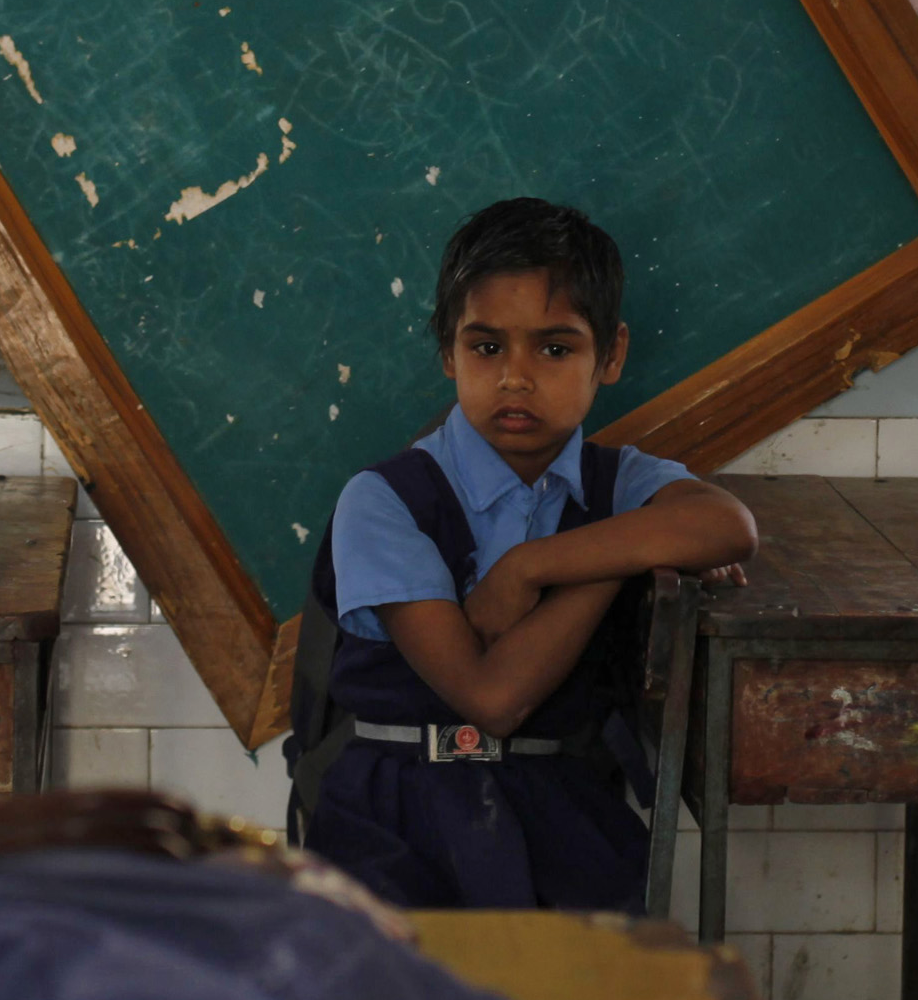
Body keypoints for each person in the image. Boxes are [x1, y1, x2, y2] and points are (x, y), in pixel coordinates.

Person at [286, 197, 759, 910]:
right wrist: (627, 550)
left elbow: (728, 526)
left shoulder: (619, 480)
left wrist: (535, 565)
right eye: (486, 347)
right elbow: (492, 697)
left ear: (613, 354)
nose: (516, 377)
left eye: (555, 348)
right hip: (393, 823)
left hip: (566, 811)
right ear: (447, 349)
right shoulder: (383, 501)